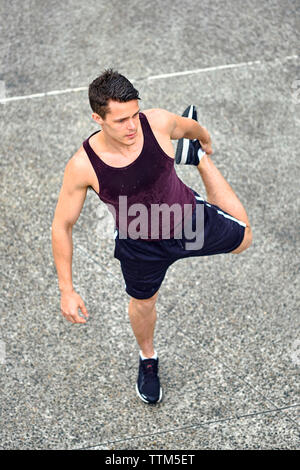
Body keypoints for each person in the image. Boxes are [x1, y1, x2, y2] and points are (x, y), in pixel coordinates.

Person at [51, 69, 252, 405]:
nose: (132, 127)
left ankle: (196, 160)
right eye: (120, 120)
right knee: (144, 303)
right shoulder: (83, 166)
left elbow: (190, 127)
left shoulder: (156, 122)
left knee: (244, 239)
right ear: (96, 118)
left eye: (134, 114)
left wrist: (203, 140)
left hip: (187, 219)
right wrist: (66, 289)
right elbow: (62, 225)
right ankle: (148, 359)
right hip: (140, 245)